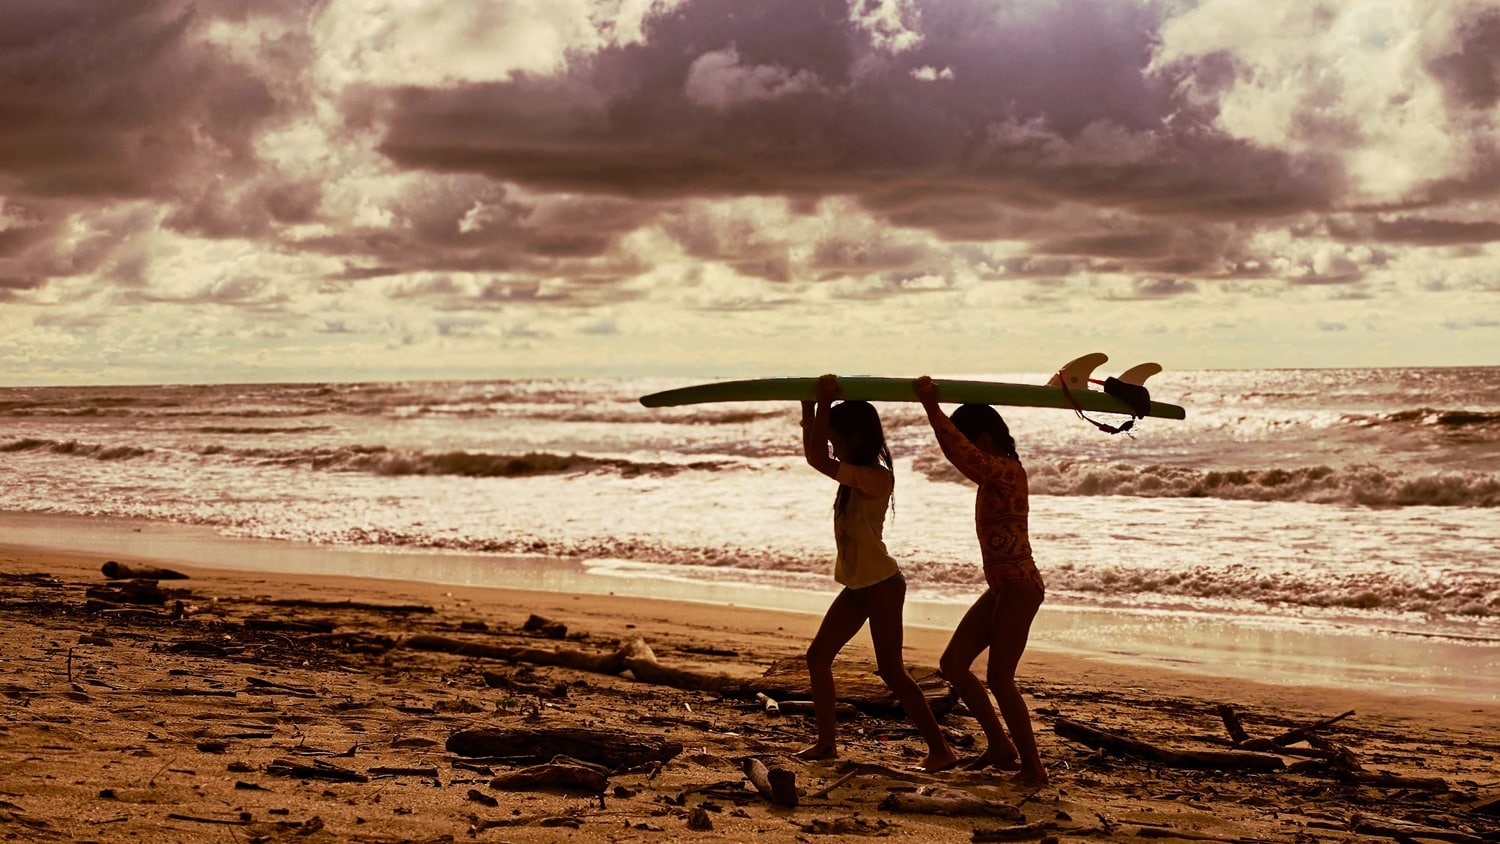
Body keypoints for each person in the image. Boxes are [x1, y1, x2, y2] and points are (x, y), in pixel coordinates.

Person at [797, 374, 958, 773]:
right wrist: (809, 409)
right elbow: (816, 453)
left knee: (891, 670)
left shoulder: (875, 478)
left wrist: (819, 404)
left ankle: (940, 750)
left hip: (883, 585)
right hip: (857, 586)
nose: (832, 446)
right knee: (817, 658)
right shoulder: (853, 473)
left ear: (855, 435)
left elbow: (816, 458)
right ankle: (826, 744)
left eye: (837, 438)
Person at [913, 375, 1048, 784]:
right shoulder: (996, 472)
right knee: (953, 664)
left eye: (973, 441)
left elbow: (960, 454)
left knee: (999, 678)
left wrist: (930, 407)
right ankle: (1001, 746)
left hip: (1021, 586)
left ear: (985, 439)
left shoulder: (1006, 471)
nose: (969, 449)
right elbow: (964, 454)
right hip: (1002, 587)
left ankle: (1034, 768)